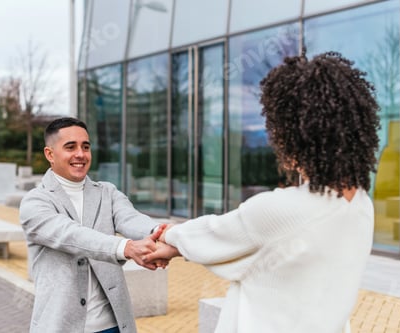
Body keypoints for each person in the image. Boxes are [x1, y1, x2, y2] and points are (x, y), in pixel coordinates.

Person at [144, 51, 380, 333]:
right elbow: (247, 250)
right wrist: (178, 247)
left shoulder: (283, 210)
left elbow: (214, 235)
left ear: (295, 134)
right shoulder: (362, 206)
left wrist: (167, 235)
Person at [19, 117, 165, 333]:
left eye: (85, 147)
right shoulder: (35, 202)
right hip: (60, 326)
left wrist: (162, 233)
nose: (80, 154)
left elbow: (131, 218)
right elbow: (71, 235)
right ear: (50, 154)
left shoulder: (108, 192)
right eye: (71, 147)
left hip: (113, 326)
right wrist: (126, 248)